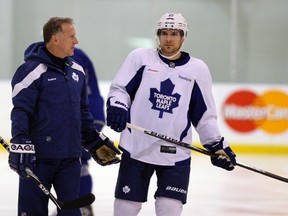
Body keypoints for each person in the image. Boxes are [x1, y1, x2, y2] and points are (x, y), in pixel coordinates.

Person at [106, 13, 237, 216]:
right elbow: (119, 90)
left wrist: (216, 145)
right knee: (125, 209)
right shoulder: (140, 58)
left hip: (175, 154)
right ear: (157, 35)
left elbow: (204, 115)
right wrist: (117, 106)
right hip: (137, 148)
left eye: (174, 33)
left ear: (183, 36)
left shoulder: (197, 70)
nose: (169, 38)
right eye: (164, 33)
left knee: (169, 209)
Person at [8, 17, 120, 216]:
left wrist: (93, 141)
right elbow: (21, 111)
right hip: (37, 159)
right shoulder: (30, 71)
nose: (76, 41)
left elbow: (82, 113)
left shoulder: (77, 71)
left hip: (70, 158)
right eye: (71, 36)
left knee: (71, 212)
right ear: (55, 39)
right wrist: (20, 141)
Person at [72, 48, 105, 216]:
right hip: (91, 114)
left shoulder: (73, 55)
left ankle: (79, 208)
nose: (74, 40)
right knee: (79, 163)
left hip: (85, 117)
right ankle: (78, 207)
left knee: (75, 163)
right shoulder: (78, 53)